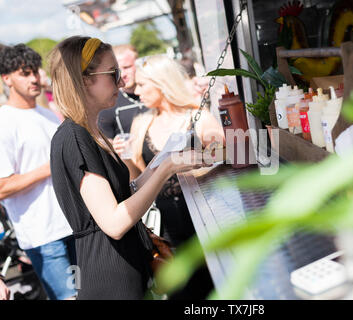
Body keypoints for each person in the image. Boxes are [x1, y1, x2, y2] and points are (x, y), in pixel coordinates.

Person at [48, 36, 206, 300]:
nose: (122, 81)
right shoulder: (74, 137)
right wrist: (167, 167)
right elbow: (114, 222)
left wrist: (160, 165)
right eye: (114, 73)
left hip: (125, 269)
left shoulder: (87, 131)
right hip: (112, 279)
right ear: (85, 79)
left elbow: (124, 193)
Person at [113, 54, 224, 299]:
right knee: (184, 292)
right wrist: (127, 159)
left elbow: (222, 158)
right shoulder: (141, 124)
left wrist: (210, 147)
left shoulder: (198, 117)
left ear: (161, 83)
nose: (136, 90)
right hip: (169, 230)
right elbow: (137, 181)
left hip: (206, 220)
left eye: (142, 84)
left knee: (219, 286)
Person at [0, 44, 76, 300]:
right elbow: (1, 187)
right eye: (25, 73)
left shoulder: (48, 115)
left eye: (35, 71)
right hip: (43, 237)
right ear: (6, 78)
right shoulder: (4, 122)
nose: (34, 78)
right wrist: (49, 168)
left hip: (74, 225)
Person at [97, 44, 147, 140]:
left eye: (127, 67)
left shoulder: (157, 93)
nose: (122, 74)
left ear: (138, 64)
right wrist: (115, 148)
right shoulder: (108, 104)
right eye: (117, 70)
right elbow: (106, 143)